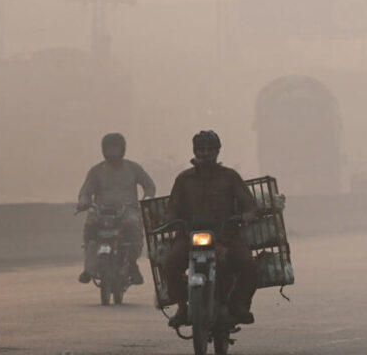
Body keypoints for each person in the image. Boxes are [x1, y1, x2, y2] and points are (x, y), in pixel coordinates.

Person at [164, 131, 260, 328]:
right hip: (189, 235)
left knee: (250, 265)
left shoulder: (230, 177)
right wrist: (171, 220)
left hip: (226, 235)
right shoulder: (184, 179)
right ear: (194, 151)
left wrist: (248, 214)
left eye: (209, 149)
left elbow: (248, 204)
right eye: (201, 149)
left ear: (217, 151)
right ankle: (182, 307)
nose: (205, 153)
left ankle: (239, 304)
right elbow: (172, 207)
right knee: (170, 263)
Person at [77, 133, 155, 285]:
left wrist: (148, 198)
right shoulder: (96, 171)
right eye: (109, 149)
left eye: (115, 149)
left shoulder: (133, 168)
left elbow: (149, 185)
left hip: (127, 210)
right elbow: (85, 191)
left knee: (134, 227)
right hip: (101, 211)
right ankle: (89, 268)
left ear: (122, 150)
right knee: (89, 230)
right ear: (103, 150)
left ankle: (132, 264)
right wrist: (83, 202)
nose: (112, 153)